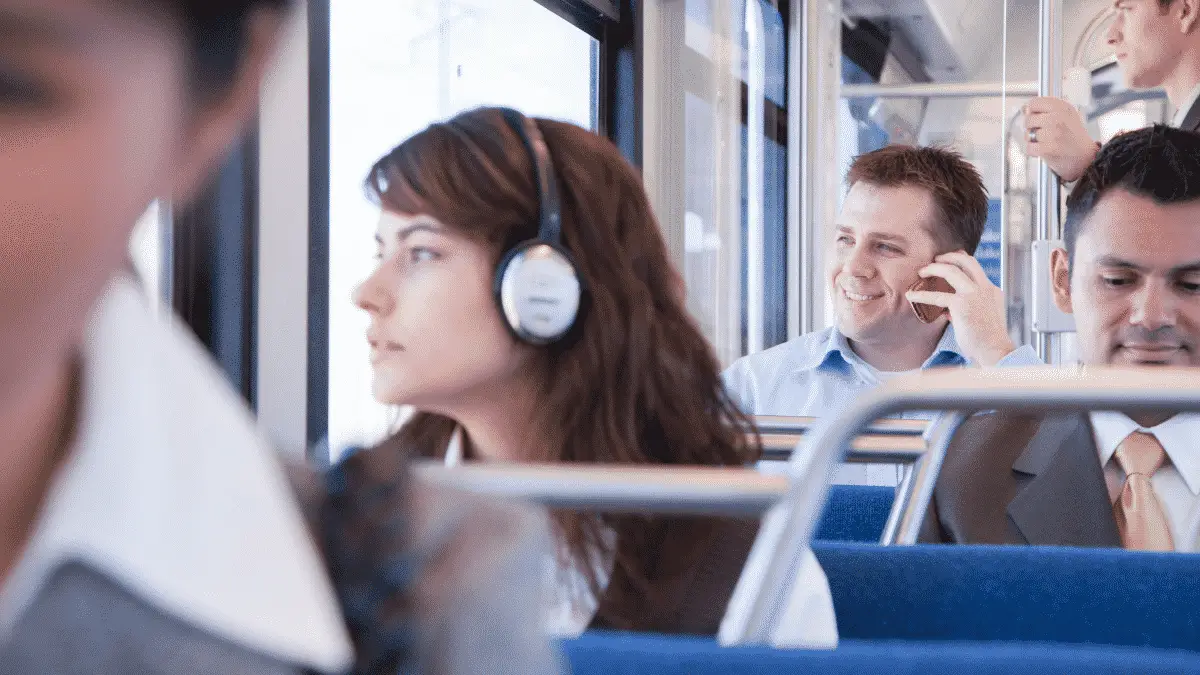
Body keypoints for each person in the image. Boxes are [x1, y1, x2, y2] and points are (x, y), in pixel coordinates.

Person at [0, 1, 557, 673]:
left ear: (213, 106)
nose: (366, 292)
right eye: (382, 251)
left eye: (8, 84)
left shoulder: (421, 585)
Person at [351, 106, 838, 647]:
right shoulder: (360, 524)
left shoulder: (749, 569)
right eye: (381, 252)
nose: (366, 294)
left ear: (543, 284)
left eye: (421, 253)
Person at [921, 125, 1200, 551]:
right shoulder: (966, 472)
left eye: (1193, 285)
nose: (1151, 316)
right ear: (1062, 280)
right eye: (1117, 280)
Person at [722, 145, 1035, 483]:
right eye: (845, 239)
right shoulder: (753, 387)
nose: (853, 267)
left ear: (949, 270)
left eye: (885, 247)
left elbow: (1066, 482)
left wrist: (996, 352)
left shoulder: (1003, 385)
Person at [1024, 0, 1200, 182]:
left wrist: (1089, 166)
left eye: (1126, 9)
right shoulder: (1185, 129)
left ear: (1185, 10)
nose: (1111, 36)